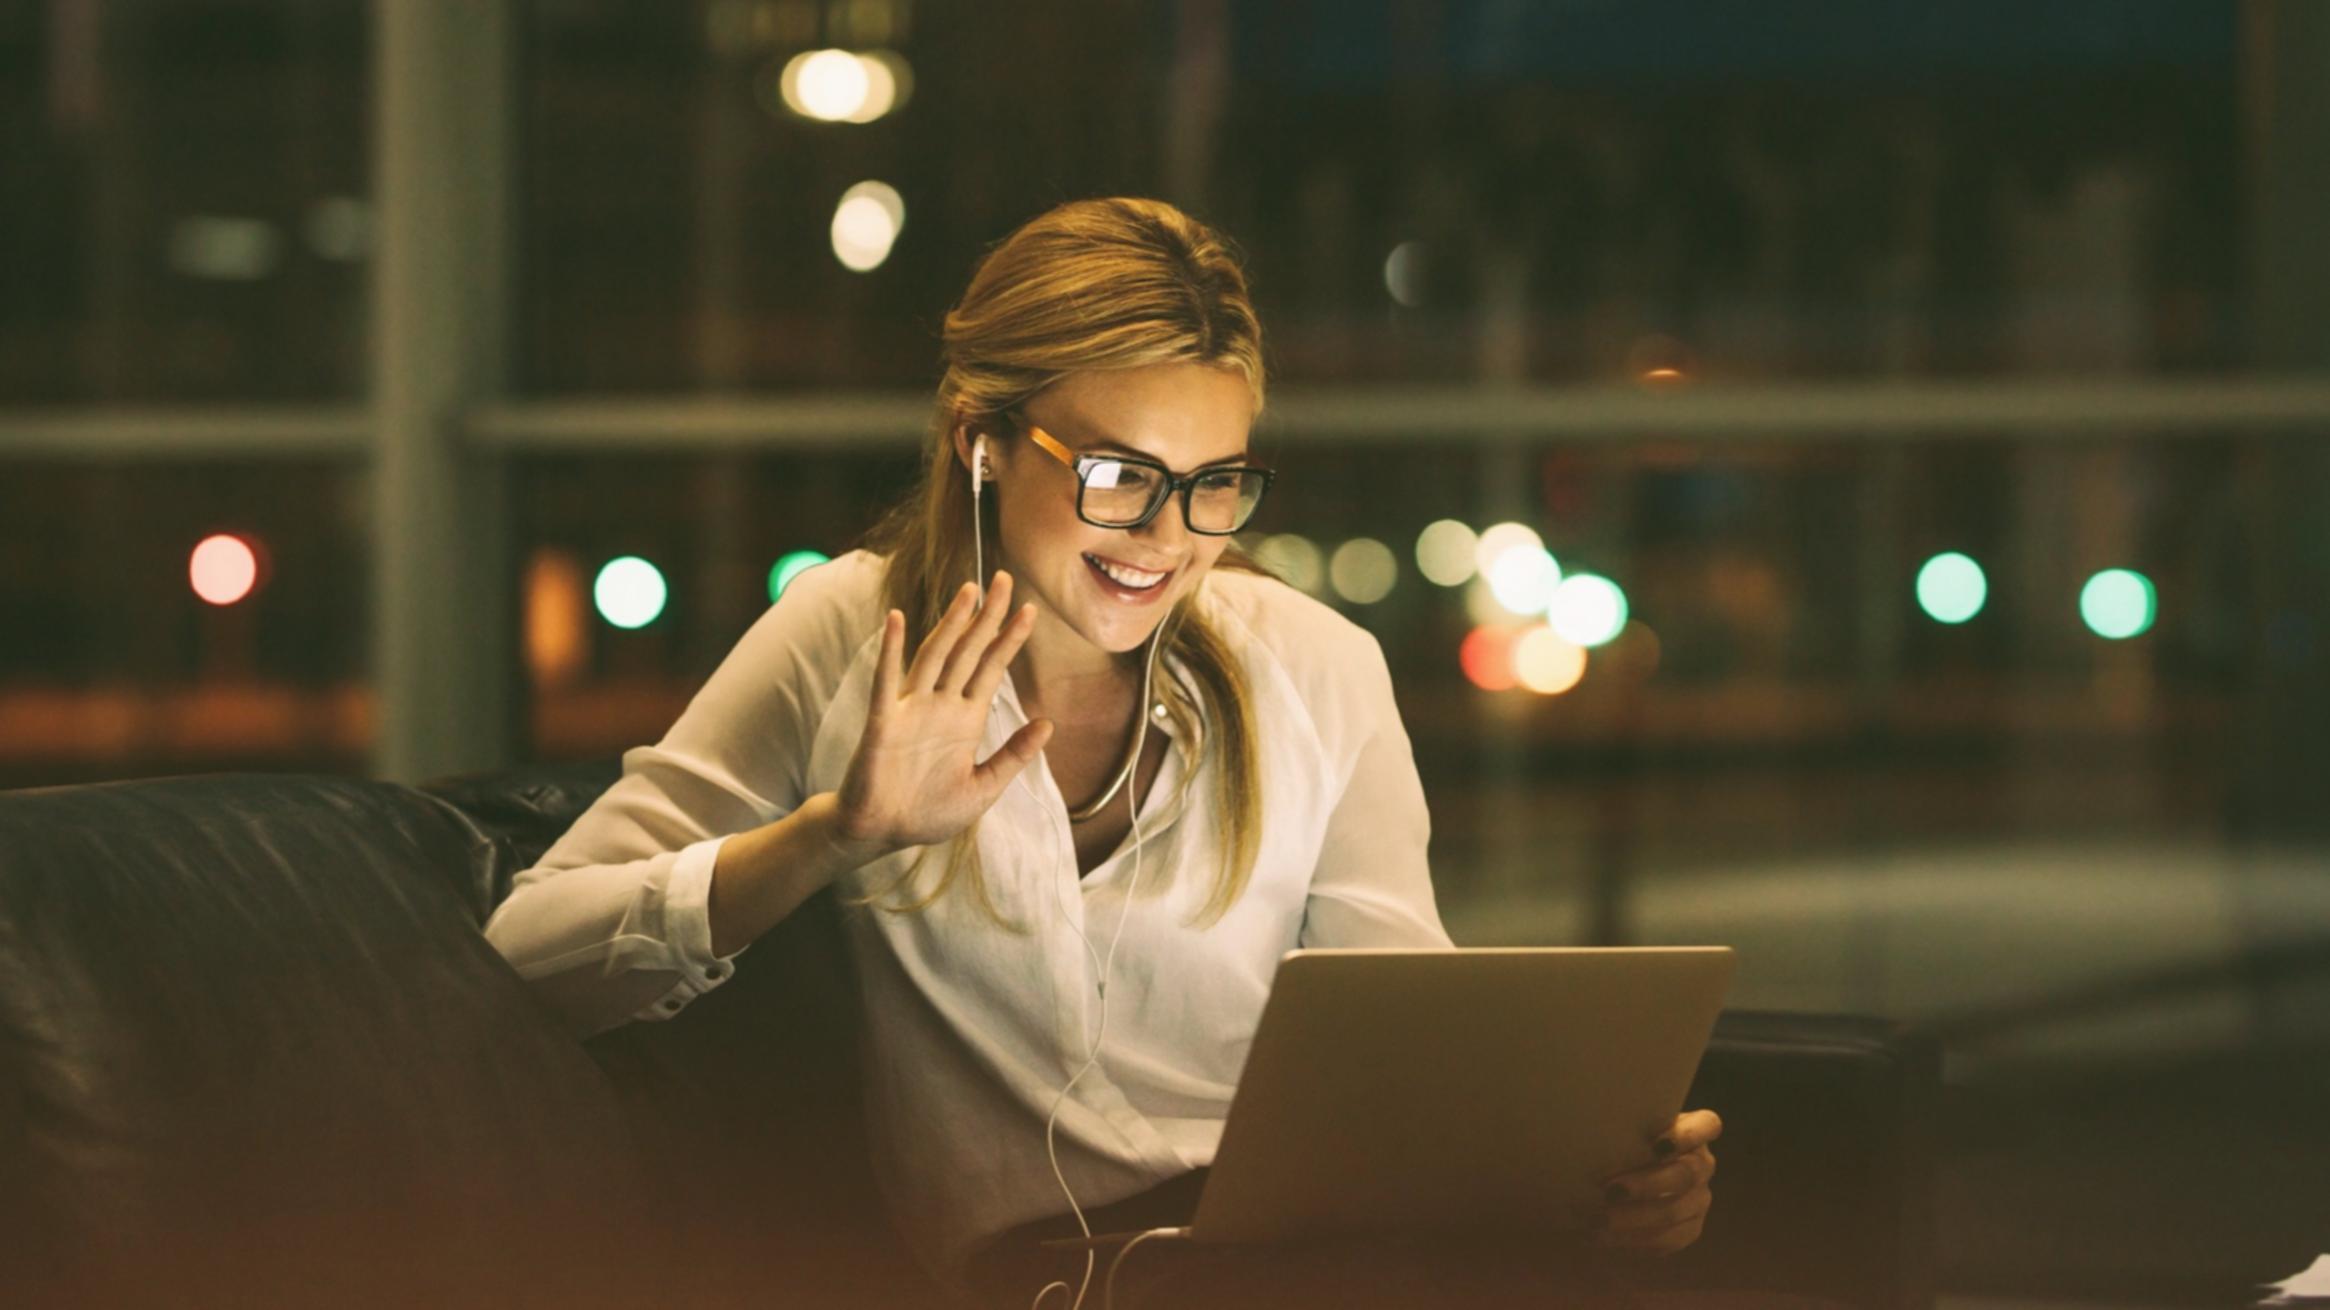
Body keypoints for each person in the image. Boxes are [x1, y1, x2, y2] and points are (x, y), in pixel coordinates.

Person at [482, 196, 1721, 1309]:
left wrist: (1597, 1180)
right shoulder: (849, 634)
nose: (1168, 537)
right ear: (981, 442)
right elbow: (531, 954)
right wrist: (829, 836)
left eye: (1213, 481)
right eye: (1121, 473)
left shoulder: (1315, 666)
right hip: (1061, 1272)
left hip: (1323, 1252)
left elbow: (1411, 1037)